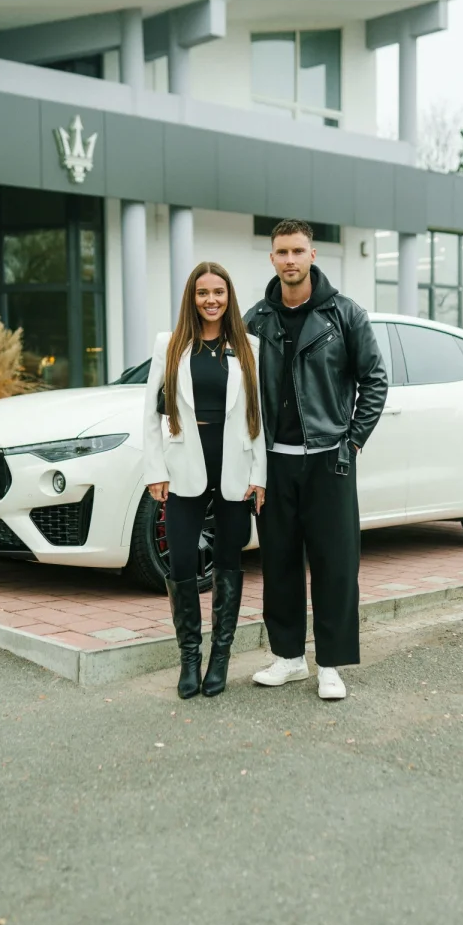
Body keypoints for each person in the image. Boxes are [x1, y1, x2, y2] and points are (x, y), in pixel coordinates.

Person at [244, 219, 388, 700]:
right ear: (272, 258)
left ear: (312, 255)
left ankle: (331, 664)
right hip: (273, 463)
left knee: (336, 566)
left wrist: (353, 441)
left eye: (298, 251)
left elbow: (375, 380)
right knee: (279, 564)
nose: (290, 260)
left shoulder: (344, 314)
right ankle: (288, 658)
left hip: (330, 459)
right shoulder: (256, 320)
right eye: (282, 252)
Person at [144, 262, 266, 699]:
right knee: (181, 563)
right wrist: (155, 470)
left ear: (228, 297)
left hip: (234, 467)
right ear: (191, 299)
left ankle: (220, 659)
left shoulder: (248, 346)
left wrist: (259, 476)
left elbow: (258, 416)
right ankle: (189, 659)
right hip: (184, 467)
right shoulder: (170, 345)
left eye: (218, 292)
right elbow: (151, 415)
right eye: (202, 293)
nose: (210, 300)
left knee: (229, 562)